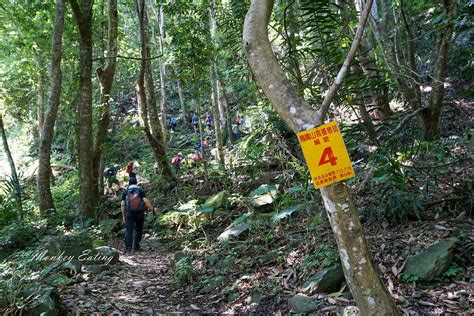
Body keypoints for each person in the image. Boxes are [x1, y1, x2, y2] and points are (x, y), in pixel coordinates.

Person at [121, 177, 156, 253]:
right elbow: (146, 201)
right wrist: (152, 209)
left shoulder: (126, 191)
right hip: (140, 213)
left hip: (129, 214)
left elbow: (123, 204)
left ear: (129, 183)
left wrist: (123, 215)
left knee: (129, 230)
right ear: (136, 183)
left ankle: (128, 248)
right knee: (139, 230)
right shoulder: (140, 190)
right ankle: (136, 246)